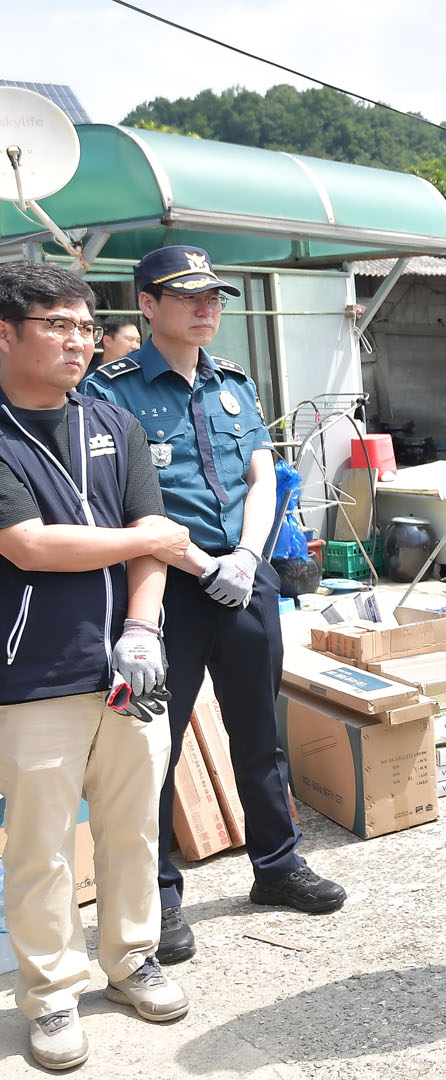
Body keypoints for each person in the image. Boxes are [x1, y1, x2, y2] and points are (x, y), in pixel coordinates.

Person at [81, 245, 345, 967]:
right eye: (187, 296)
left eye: (214, 297)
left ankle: (278, 865)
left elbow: (263, 477)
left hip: (245, 577)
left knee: (259, 731)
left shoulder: (234, 381)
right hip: (163, 587)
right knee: (152, 748)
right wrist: (201, 564)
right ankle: (156, 895)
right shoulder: (109, 391)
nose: (207, 308)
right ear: (147, 305)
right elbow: (124, 504)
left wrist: (249, 558)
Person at [0, 262, 193, 1070]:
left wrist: (142, 627)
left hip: (128, 669)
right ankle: (50, 994)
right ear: (4, 334)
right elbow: (29, 545)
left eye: (85, 326)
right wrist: (147, 539)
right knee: (40, 845)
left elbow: (154, 533)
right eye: (57, 325)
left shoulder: (116, 423)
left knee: (132, 826)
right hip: (33, 676)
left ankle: (131, 960)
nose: (78, 341)